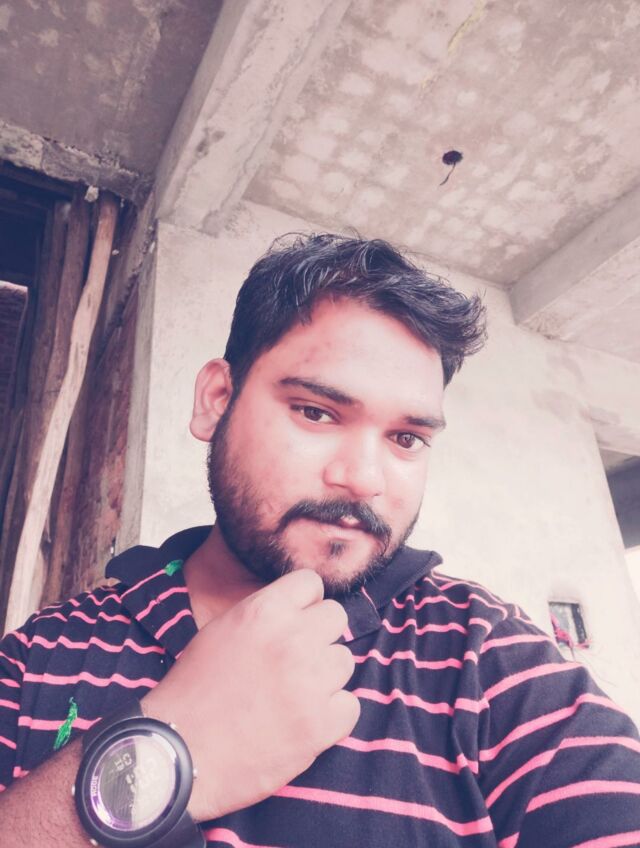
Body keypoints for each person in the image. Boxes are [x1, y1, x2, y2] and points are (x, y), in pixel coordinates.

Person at [0, 234, 639, 848]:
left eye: (406, 438)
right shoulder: (41, 652)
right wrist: (166, 749)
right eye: (316, 412)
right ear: (217, 399)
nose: (363, 479)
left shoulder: (488, 657)